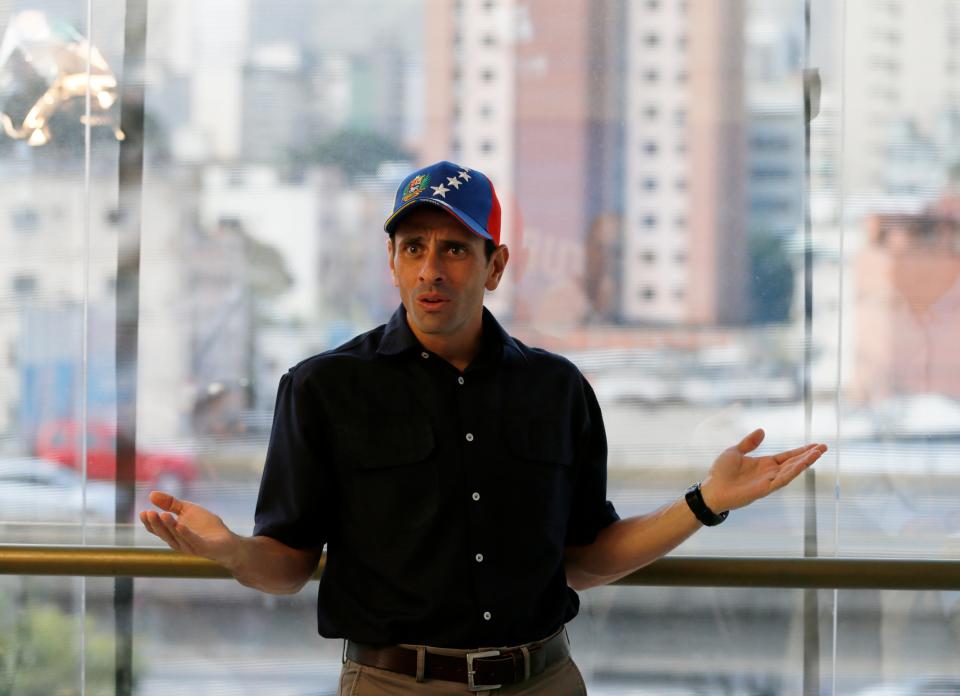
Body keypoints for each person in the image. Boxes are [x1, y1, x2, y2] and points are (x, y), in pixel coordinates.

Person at [140, 160, 827, 695]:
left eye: (455, 249)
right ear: (392, 262)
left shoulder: (556, 390)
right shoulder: (324, 388)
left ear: (495, 264)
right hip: (393, 687)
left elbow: (584, 557)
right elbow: (287, 565)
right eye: (413, 247)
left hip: (544, 683)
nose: (430, 269)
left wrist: (706, 502)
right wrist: (231, 551)